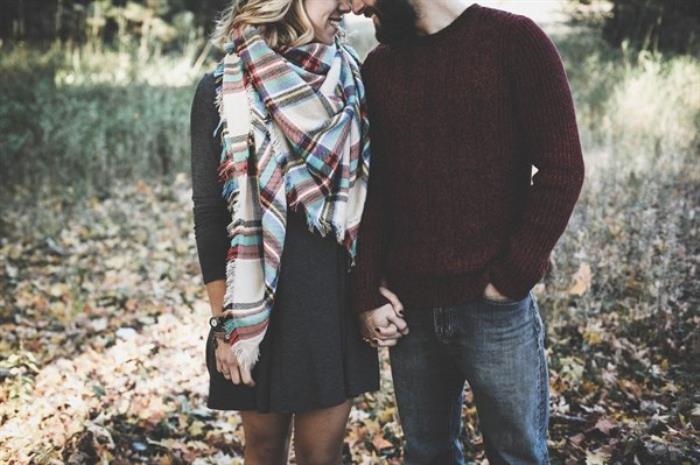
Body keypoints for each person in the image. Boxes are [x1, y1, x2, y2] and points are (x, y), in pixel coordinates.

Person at [349, 1, 586, 464]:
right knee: (427, 454)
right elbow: (374, 188)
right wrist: (365, 291)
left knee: (516, 455)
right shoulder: (379, 67)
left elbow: (562, 168)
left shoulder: (514, 41)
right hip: (411, 312)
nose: (355, 6)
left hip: (494, 310)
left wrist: (512, 277)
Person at [189, 1, 406, 464]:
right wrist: (224, 325)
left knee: (319, 456)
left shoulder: (355, 81)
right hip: (260, 302)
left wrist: (372, 286)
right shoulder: (223, 87)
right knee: (264, 450)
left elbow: (379, 196)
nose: (347, 5)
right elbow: (209, 215)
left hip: (333, 298)